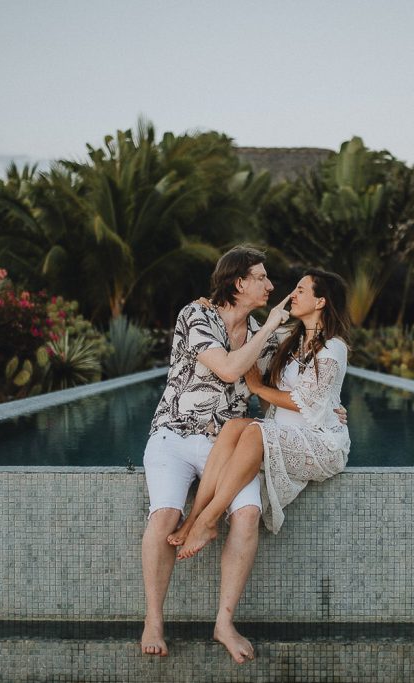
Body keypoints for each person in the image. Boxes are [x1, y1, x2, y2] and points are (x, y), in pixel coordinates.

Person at [140, 245, 290, 664]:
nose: (270, 285)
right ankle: (154, 619)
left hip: (227, 445)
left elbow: (284, 377)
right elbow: (226, 368)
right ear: (239, 282)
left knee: (246, 515)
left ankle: (224, 621)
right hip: (174, 434)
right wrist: (267, 330)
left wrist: (320, 405)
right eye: (262, 277)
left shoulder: (263, 330)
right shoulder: (197, 315)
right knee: (165, 514)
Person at [168, 268, 350, 558]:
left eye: (301, 290)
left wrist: (257, 388)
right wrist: (211, 306)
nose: (292, 294)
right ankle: (193, 518)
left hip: (320, 443)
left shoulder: (333, 348)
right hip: (289, 433)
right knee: (234, 427)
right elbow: (246, 328)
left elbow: (307, 402)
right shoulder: (291, 339)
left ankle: (207, 520)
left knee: (255, 431)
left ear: (320, 302)